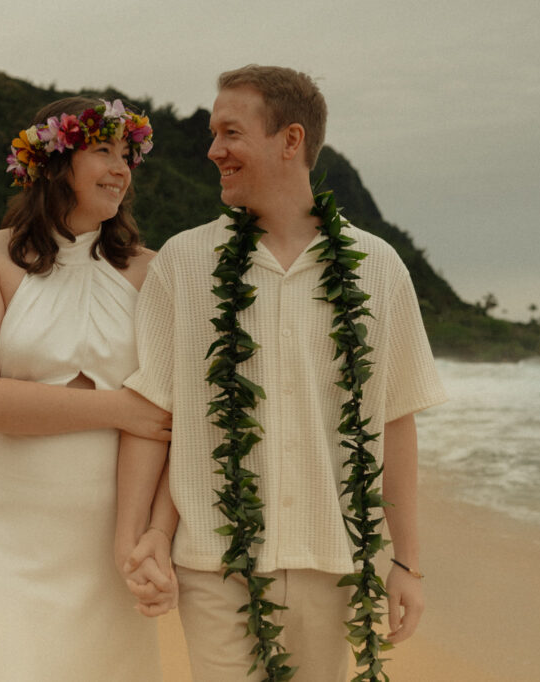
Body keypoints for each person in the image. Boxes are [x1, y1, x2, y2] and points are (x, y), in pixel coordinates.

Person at [115, 65, 448, 681]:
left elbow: (394, 423)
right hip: (214, 562)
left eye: (230, 132)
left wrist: (408, 563)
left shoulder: (378, 268)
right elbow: (155, 414)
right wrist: (143, 537)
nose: (213, 149)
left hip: (334, 560)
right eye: (214, 133)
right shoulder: (184, 263)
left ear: (290, 140)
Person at [0, 96, 170, 681]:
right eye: (102, 150)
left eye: (127, 155)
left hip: (110, 525)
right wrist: (119, 407)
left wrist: (145, 534)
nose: (120, 167)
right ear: (54, 161)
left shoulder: (153, 271)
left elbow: (166, 418)